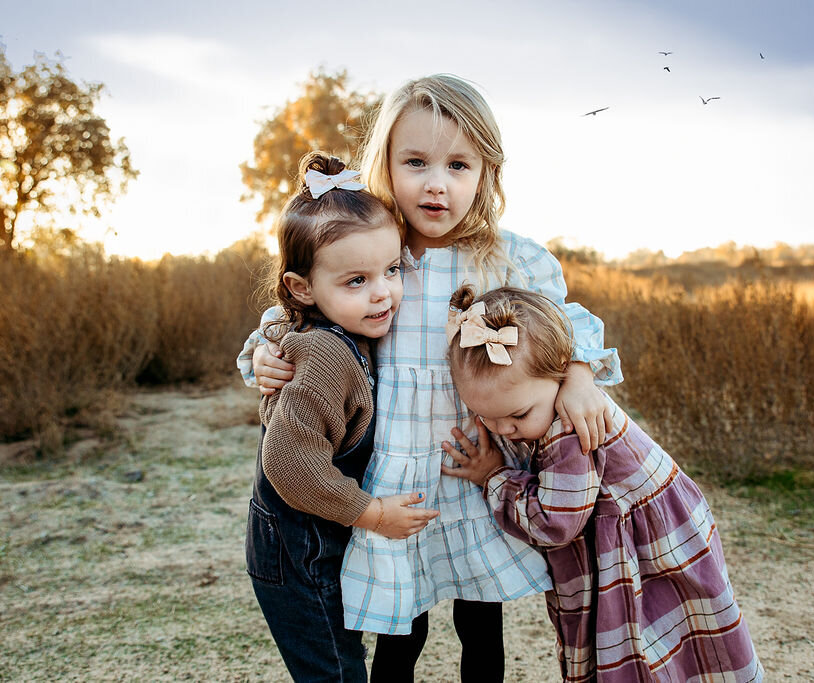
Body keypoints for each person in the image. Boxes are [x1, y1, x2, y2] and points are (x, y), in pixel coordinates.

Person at [238, 74, 622, 681]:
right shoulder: (372, 244)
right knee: (402, 624)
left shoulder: (505, 256)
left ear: (486, 173)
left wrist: (577, 374)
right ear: (385, 165)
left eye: (459, 165)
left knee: (480, 617)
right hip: (398, 466)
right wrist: (264, 356)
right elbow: (294, 314)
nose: (436, 183)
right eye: (415, 161)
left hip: (473, 459)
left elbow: (565, 320)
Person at [441, 285, 764, 682]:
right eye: (486, 418)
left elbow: (555, 522)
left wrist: (493, 476)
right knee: (680, 647)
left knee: (653, 650)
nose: (503, 430)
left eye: (517, 416)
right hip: (659, 539)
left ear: (561, 373)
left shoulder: (568, 428)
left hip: (645, 556)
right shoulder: (549, 398)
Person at [245, 151, 440, 682]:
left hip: (320, 540)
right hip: (298, 550)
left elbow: (278, 332)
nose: (383, 292)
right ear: (302, 289)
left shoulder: (357, 331)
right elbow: (287, 462)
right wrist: (373, 514)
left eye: (393, 270)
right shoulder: (330, 354)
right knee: (335, 671)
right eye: (356, 280)